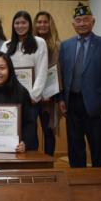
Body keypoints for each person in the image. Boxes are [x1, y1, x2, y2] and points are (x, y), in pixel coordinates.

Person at [59, 3, 101, 168]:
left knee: (97, 145)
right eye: (78, 20)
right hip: (72, 102)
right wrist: (61, 99)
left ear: (93, 21)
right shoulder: (66, 45)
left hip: (95, 104)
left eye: (85, 19)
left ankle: (99, 180)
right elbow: (61, 75)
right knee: (75, 145)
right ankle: (77, 179)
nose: (82, 23)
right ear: (73, 24)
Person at [1, 11, 48, 150]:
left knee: (29, 134)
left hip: (30, 98)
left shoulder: (39, 42)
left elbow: (42, 70)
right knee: (11, 131)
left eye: (23, 23)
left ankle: (32, 164)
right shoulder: (7, 45)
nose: (20, 26)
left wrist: (35, 95)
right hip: (11, 96)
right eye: (17, 23)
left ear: (29, 24)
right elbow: (3, 70)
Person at [33, 11, 61, 156]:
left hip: (49, 98)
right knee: (31, 131)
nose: (42, 25)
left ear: (50, 24)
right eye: (39, 22)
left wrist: (48, 93)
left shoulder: (57, 46)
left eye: (45, 22)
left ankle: (49, 161)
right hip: (31, 96)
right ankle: (33, 161)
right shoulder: (29, 44)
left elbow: (58, 72)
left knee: (48, 131)